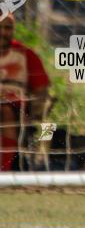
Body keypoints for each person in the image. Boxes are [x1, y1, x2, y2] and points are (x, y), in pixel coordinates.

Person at [0, 15, 51, 171]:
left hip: (18, 109)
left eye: (8, 28)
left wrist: (40, 111)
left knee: (5, 111)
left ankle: (5, 172)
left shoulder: (26, 54)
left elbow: (42, 91)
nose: (3, 32)